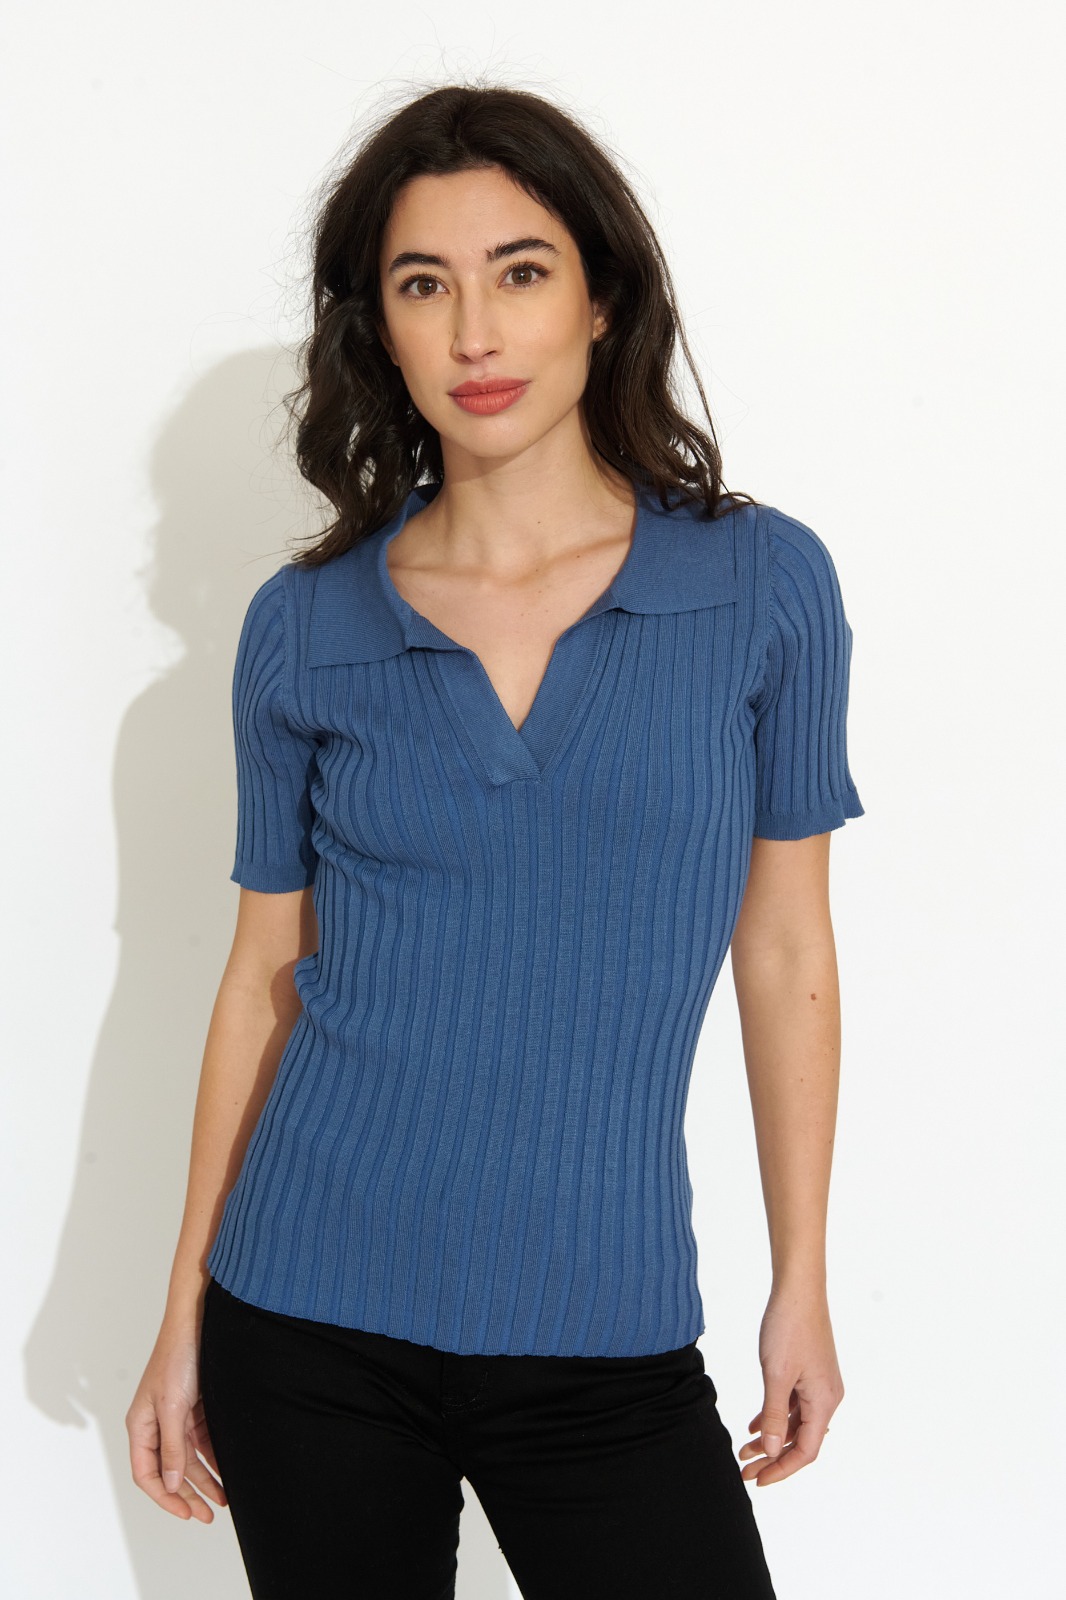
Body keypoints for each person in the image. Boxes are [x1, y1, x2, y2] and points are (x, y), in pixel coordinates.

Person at [126, 81, 865, 1600]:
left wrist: (801, 1279)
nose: (475, 332)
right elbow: (264, 976)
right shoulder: (305, 627)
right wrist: (184, 1306)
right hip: (305, 1325)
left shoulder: (759, 589)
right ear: (378, 330)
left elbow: (785, 943)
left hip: (605, 1336)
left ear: (601, 301)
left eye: (519, 272)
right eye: (424, 285)